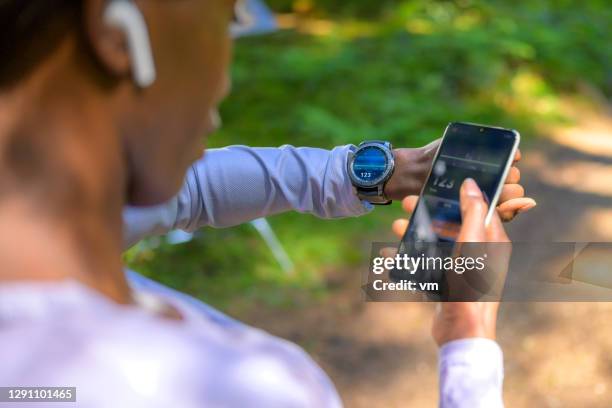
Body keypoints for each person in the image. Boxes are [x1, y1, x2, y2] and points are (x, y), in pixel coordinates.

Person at [0, 1, 528, 406]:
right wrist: (468, 339)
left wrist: (385, 172)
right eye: (227, 16)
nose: (225, 76)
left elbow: (192, 190)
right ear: (117, 29)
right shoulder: (245, 388)